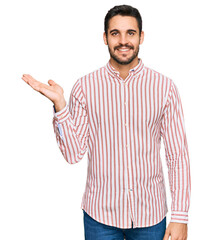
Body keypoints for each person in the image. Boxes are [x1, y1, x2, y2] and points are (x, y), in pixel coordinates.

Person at [22, 4, 191, 240]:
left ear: (141, 36)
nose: (123, 41)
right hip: (99, 217)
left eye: (130, 33)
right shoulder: (85, 87)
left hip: (150, 216)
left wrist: (180, 217)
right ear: (105, 38)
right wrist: (61, 105)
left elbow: (177, 156)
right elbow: (73, 154)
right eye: (115, 33)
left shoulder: (164, 88)